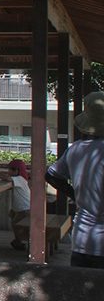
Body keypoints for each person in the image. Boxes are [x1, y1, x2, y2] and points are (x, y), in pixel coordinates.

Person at [46, 91, 104, 269]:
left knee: (80, 294)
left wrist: (74, 194)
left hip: (82, 240)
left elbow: (51, 175)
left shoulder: (75, 150)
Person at [7, 159, 31, 251]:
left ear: (18, 171)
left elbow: (7, 178)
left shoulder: (20, 179)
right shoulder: (19, 179)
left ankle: (19, 241)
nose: (9, 171)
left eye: (12, 169)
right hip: (20, 208)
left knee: (15, 224)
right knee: (12, 216)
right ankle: (19, 240)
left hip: (25, 208)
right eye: (9, 169)